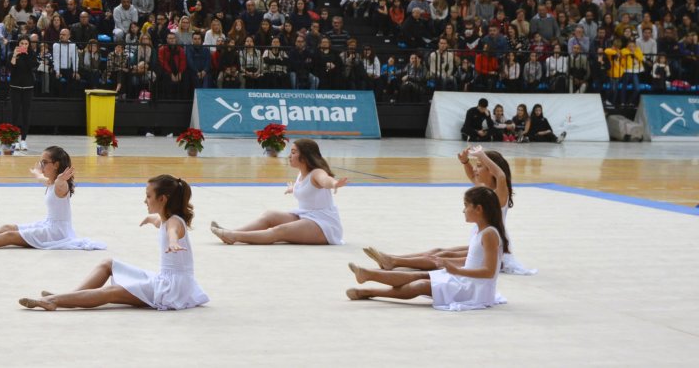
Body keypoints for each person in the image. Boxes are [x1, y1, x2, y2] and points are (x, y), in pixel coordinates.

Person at [19, 175, 209, 311]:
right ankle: (70, 296)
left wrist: (174, 243)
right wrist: (152, 219)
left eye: (148, 196)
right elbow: (162, 223)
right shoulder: (167, 218)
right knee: (108, 264)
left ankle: (54, 301)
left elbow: (172, 231)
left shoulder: (174, 222)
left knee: (111, 292)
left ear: (163, 199)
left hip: (171, 289)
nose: (145, 200)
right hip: (167, 280)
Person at [362, 146, 535, 276]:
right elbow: (471, 176)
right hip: (482, 241)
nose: (476, 169)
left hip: (495, 250)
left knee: (444, 258)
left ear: (491, 171)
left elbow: (501, 176)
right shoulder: (485, 191)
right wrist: (465, 161)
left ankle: (394, 261)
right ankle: (393, 258)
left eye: (480, 166)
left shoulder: (500, 195)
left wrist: (483, 155)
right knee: (440, 250)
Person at [346, 186, 508, 311]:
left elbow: (488, 271)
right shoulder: (480, 230)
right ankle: (368, 274)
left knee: (421, 284)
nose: (463, 210)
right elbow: (475, 260)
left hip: (474, 290)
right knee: (422, 274)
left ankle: (369, 292)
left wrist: (457, 271)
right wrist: (447, 262)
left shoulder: (489, 234)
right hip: (467, 280)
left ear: (479, 209)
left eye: (466, 206)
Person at [0, 146, 104, 250]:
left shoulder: (61, 185)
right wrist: (37, 173)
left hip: (56, 233)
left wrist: (61, 179)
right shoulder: (50, 181)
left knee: (9, 237)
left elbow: (61, 186)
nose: (41, 165)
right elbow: (44, 180)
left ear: (55, 165)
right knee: (7, 227)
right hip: (48, 224)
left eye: (44, 162)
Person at [210, 139, 347, 245]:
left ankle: (234, 237)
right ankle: (232, 231)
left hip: (324, 225)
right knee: (270, 215)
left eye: (293, 153)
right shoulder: (301, 174)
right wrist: (293, 189)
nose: (289, 156)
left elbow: (325, 180)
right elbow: (309, 190)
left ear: (305, 157)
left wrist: (334, 184)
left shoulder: (317, 172)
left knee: (280, 231)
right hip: (306, 217)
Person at [8, 36, 35, 151]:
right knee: (15, 113)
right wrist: (15, 55)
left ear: (28, 45)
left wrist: (26, 54)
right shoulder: (13, 54)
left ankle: (23, 140)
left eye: (26, 43)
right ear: (18, 44)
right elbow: (11, 68)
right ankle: (14, 140)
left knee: (26, 114)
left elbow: (31, 66)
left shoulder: (32, 55)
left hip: (28, 88)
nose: (24, 45)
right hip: (15, 87)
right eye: (22, 43)